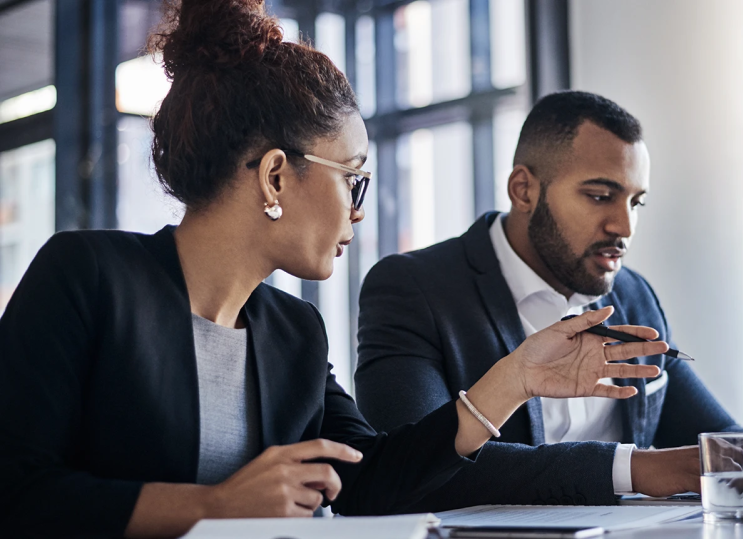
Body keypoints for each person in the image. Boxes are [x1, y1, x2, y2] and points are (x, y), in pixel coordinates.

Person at [0, 5, 667, 537]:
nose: (357, 211)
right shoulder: (86, 277)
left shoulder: (293, 331)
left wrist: (514, 380)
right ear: (275, 174)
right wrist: (215, 505)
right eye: (353, 178)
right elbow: (16, 491)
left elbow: (372, 478)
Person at [355, 91, 743, 511]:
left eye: (636, 202)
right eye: (600, 195)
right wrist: (633, 469)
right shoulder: (413, 288)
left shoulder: (633, 294)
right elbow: (409, 469)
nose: (624, 225)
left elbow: (720, 440)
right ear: (523, 190)